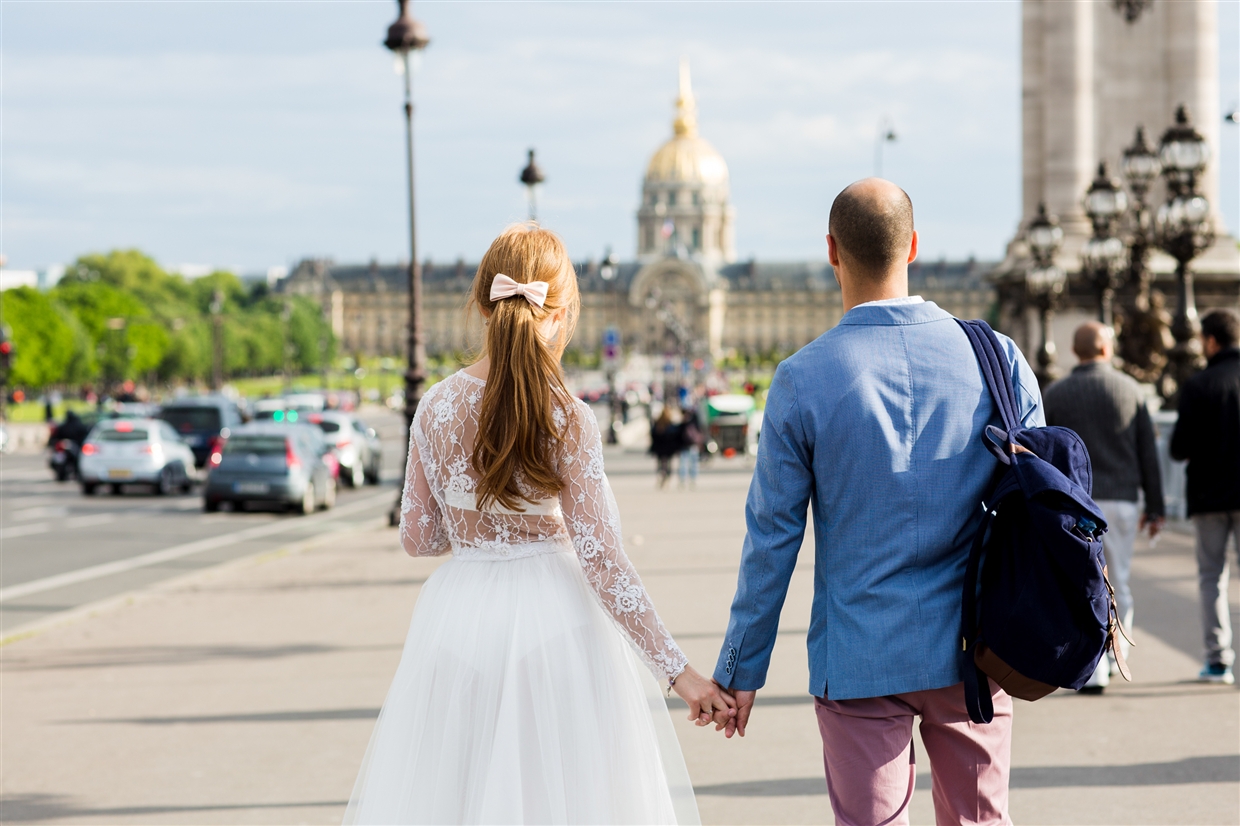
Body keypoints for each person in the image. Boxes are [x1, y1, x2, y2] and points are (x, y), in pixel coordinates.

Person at [345, 224, 733, 825]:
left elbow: (418, 538)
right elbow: (604, 564)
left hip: (459, 623)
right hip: (558, 627)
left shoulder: (435, 405)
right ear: (562, 313)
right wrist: (679, 674)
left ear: (481, 303)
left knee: (458, 797)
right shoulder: (569, 416)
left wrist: (479, 523)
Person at [712, 179, 1042, 825]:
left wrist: (740, 669)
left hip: (859, 652)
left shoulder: (802, 377)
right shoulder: (998, 358)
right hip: (977, 647)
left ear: (832, 252)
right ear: (914, 245)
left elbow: (772, 539)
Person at [1043, 322, 1164, 693]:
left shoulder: (1056, 393)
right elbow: (1148, 452)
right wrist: (1156, 507)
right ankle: (1115, 655)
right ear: (1107, 350)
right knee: (1119, 580)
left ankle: (1092, 663)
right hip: (1123, 499)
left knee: (1083, 583)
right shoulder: (1131, 390)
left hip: (1075, 503)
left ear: (1076, 352)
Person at [1170, 308, 1240, 685]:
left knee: (1212, 578)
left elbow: (1179, 448)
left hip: (1210, 496)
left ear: (1211, 341)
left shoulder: (1199, 386)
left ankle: (1218, 661)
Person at [650, 405, 682, 488]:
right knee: (668, 465)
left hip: (660, 448)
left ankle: (662, 477)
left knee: (661, 464)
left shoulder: (658, 423)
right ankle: (666, 478)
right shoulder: (670, 424)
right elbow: (675, 435)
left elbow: (653, 435)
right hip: (668, 448)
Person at [678, 404, 703, 489]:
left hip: (689, 445)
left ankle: (688, 480)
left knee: (690, 463)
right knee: (687, 463)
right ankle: (687, 480)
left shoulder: (688, 420)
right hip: (688, 445)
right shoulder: (692, 420)